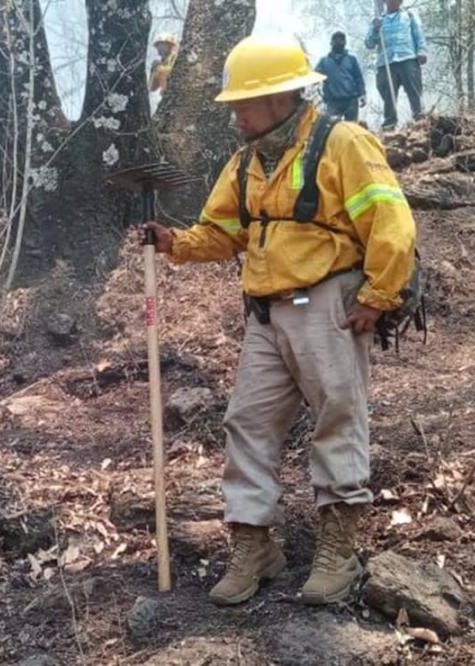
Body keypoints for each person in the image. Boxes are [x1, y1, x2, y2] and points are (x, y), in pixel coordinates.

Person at [140, 37, 416, 607]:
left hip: (327, 305)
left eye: (245, 103)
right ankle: (254, 545)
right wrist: (175, 244)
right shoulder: (244, 164)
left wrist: (379, 295)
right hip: (266, 314)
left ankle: (338, 551)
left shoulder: (343, 144)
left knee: (337, 418)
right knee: (247, 422)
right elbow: (221, 232)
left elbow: (392, 222)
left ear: (281, 95)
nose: (236, 114)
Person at [365, 0, 428, 130]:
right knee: (387, 92)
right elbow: (369, 44)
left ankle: (420, 121)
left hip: (408, 58)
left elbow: (419, 35)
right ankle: (390, 124)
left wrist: (422, 51)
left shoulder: (409, 16)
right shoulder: (379, 20)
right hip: (386, 62)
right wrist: (375, 29)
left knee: (414, 91)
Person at [315, 31, 367, 121]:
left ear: (345, 42)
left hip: (351, 101)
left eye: (341, 40)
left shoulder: (351, 60)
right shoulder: (324, 61)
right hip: (333, 101)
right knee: (330, 129)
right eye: (336, 40)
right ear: (331, 43)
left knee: (352, 129)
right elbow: (315, 77)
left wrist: (362, 94)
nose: (339, 42)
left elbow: (359, 78)